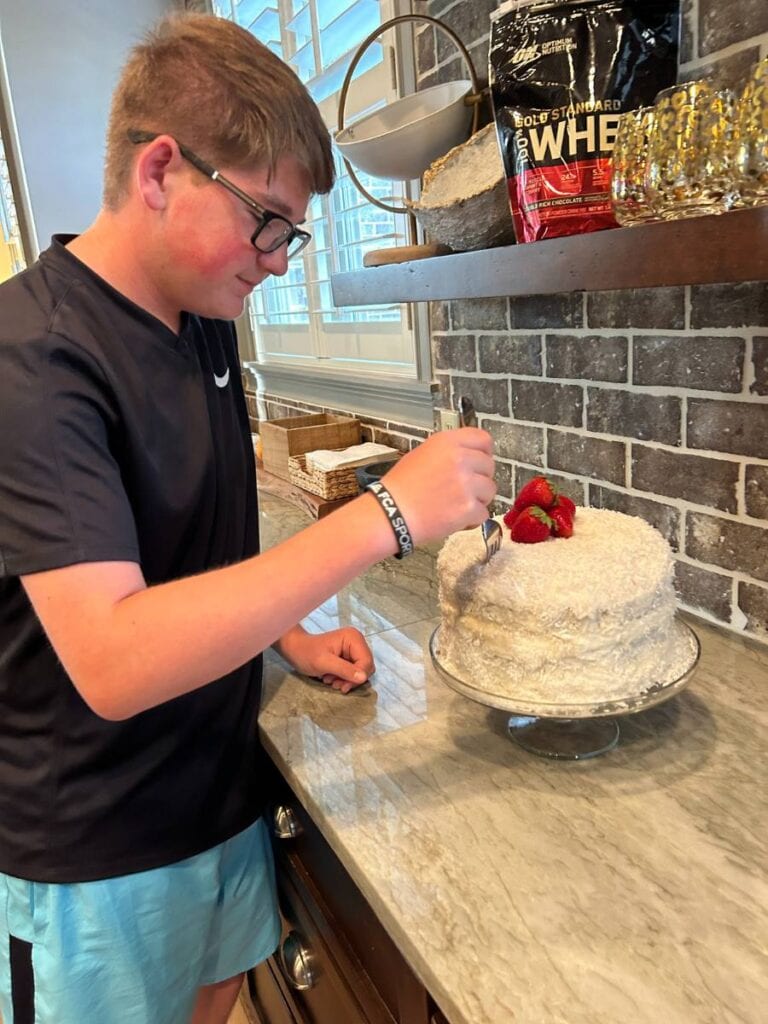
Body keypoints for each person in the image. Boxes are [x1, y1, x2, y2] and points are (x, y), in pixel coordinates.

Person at [0, 12, 495, 1024]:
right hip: (97, 851)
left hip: (218, 794)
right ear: (159, 172)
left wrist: (290, 635)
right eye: (266, 219)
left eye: (293, 231)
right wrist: (387, 514)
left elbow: (194, 540)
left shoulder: (200, 319)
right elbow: (113, 655)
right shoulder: (32, 360)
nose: (278, 258)